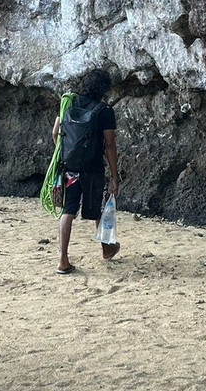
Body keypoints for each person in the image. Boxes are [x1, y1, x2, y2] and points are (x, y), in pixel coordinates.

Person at [52, 68, 121, 274]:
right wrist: (115, 177)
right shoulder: (104, 111)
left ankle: (63, 260)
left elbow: (55, 132)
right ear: (104, 89)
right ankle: (106, 249)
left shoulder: (68, 103)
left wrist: (65, 154)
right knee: (97, 209)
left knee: (68, 211)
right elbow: (109, 145)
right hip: (93, 169)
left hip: (70, 170)